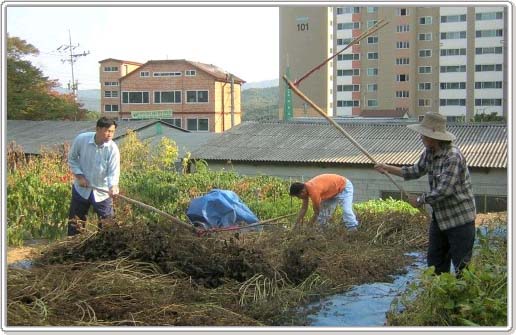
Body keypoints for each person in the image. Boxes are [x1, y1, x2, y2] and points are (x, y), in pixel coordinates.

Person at [374, 112, 476, 275]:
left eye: (423, 134)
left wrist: (420, 200)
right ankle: (439, 296)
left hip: (459, 221)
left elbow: (444, 190)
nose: (421, 137)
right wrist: (388, 168)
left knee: (462, 268)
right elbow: (414, 171)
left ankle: (464, 299)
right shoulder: (430, 152)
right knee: (435, 264)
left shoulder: (453, 156)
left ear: (434, 137)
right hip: (441, 219)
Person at [67, 117, 120, 236]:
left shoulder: (112, 149)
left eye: (112, 132)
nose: (110, 135)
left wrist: (113, 186)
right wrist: (80, 177)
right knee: (76, 223)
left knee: (108, 224)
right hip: (81, 189)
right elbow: (72, 159)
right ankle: (73, 248)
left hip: (102, 192)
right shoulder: (82, 140)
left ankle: (106, 249)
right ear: (97, 129)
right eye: (107, 131)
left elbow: (113, 171)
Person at [289, 173, 359, 230]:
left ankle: (352, 229)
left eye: (298, 196)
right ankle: (323, 231)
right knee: (323, 215)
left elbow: (316, 212)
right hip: (331, 191)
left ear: (302, 192)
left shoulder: (314, 191)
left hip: (344, 187)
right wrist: (295, 225)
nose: (299, 198)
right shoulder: (305, 189)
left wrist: (309, 226)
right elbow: (304, 209)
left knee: (346, 210)